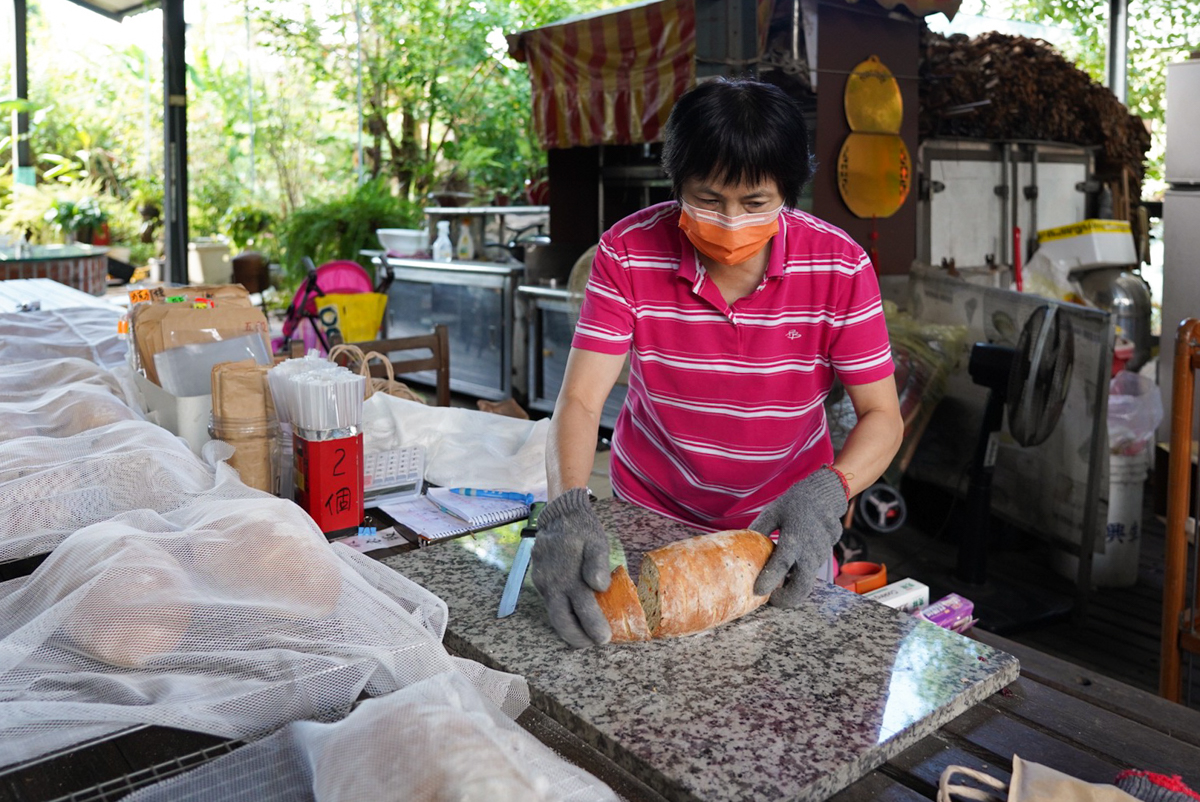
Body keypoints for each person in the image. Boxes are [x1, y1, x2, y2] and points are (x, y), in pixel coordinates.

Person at [530, 78, 904, 649]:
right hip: (653, 514)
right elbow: (580, 399)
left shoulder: (841, 266)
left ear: (788, 191)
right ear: (675, 184)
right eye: (707, 200)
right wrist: (564, 507)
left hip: (784, 525)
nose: (731, 222)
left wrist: (832, 488)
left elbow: (881, 414)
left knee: (783, 678)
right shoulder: (626, 252)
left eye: (755, 202)